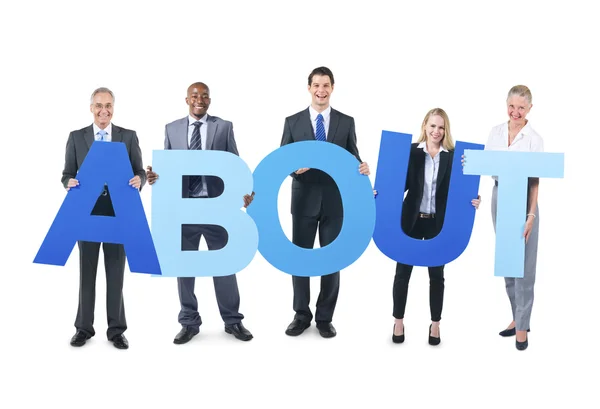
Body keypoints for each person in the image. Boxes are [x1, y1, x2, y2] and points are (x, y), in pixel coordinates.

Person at [146, 82, 254, 344]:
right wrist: (155, 177)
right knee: (185, 267)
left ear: (210, 100)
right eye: (195, 96)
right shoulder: (171, 129)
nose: (200, 100)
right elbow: (169, 171)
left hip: (217, 208)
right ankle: (189, 322)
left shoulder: (223, 127)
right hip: (185, 210)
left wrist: (245, 192)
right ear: (186, 99)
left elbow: (235, 163)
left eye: (205, 96)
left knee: (225, 264)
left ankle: (232, 321)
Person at [280, 66, 370, 338]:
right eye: (316, 85)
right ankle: (301, 315)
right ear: (309, 88)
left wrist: (362, 167)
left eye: (326, 85)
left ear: (332, 88)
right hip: (303, 200)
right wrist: (294, 169)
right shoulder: (292, 121)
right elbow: (283, 161)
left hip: (334, 202)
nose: (321, 90)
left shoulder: (346, 122)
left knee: (332, 260)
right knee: (300, 260)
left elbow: (352, 157)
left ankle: (324, 318)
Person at [63, 87, 146, 349]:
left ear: (114, 107)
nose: (104, 111)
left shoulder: (128, 137)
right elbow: (66, 172)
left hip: (117, 215)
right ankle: (83, 329)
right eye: (99, 105)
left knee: (115, 276)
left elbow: (139, 171)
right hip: (86, 215)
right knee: (86, 275)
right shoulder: (77, 137)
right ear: (91, 108)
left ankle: (116, 330)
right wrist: (69, 181)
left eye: (108, 105)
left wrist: (139, 180)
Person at [390, 108, 480, 346]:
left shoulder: (451, 158)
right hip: (410, 220)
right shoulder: (412, 152)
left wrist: (474, 198)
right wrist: (381, 193)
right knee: (402, 273)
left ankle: (435, 324)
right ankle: (398, 321)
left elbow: (459, 191)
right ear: (425, 127)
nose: (436, 131)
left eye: (441, 127)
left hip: (437, 224)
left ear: (445, 130)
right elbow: (396, 182)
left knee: (436, 276)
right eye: (432, 126)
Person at [484, 85, 543, 351]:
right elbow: (486, 167)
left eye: (521, 107)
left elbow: (534, 181)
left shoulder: (534, 138)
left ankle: (522, 328)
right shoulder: (495, 132)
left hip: (523, 202)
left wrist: (530, 214)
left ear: (530, 108)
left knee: (524, 268)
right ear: (505, 104)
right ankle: (517, 318)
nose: (515, 112)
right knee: (508, 264)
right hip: (500, 198)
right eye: (512, 106)